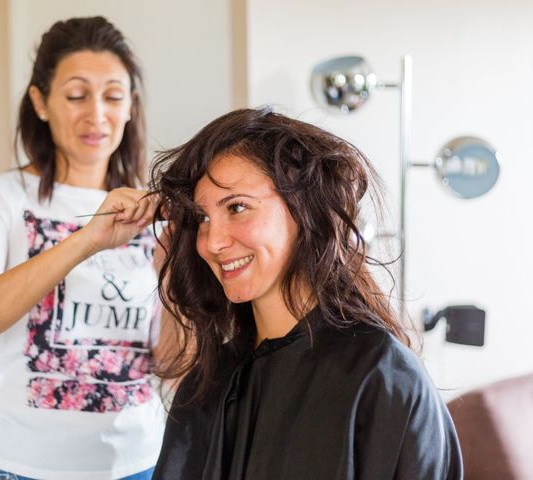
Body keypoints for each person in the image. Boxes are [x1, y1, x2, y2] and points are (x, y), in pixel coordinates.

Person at [148, 107, 463, 480]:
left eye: (237, 207)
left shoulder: (381, 378)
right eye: (202, 218)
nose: (212, 242)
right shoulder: (209, 385)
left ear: (305, 210)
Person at [0, 17, 167, 480]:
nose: (97, 115)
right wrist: (86, 241)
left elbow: (169, 360)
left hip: (138, 463)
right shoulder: (2, 197)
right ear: (41, 102)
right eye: (77, 95)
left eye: (113, 96)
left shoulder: (154, 212)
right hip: (23, 466)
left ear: (131, 106)